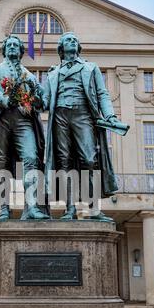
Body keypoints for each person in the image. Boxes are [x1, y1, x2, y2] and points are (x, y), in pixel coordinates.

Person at [43, 32, 129, 220]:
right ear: (61, 48)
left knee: (89, 160)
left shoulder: (90, 68)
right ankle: (70, 209)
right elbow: (43, 101)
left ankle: (94, 208)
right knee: (64, 162)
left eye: (75, 40)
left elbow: (102, 94)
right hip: (60, 116)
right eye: (68, 40)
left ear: (78, 47)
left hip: (83, 115)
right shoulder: (53, 73)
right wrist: (25, 98)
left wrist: (110, 116)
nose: (72, 42)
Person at [0, 34, 49, 220]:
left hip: (24, 121)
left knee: (31, 158)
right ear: (4, 50)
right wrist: (6, 100)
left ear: (21, 51)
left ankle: (32, 207)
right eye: (9, 45)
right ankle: (4, 209)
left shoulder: (30, 76)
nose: (12, 47)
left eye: (16, 45)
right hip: (1, 119)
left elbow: (42, 101)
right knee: (1, 163)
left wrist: (35, 101)